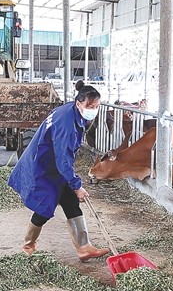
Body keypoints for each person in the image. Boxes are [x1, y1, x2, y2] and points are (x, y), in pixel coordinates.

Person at [8, 84, 109, 262]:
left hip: (54, 165)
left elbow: (64, 158)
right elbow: (63, 159)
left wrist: (73, 183)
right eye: (89, 107)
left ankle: (84, 248)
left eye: (96, 107)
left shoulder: (70, 110)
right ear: (79, 103)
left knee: (70, 202)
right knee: (44, 207)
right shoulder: (67, 125)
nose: (93, 110)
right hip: (43, 166)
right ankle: (28, 245)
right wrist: (77, 186)